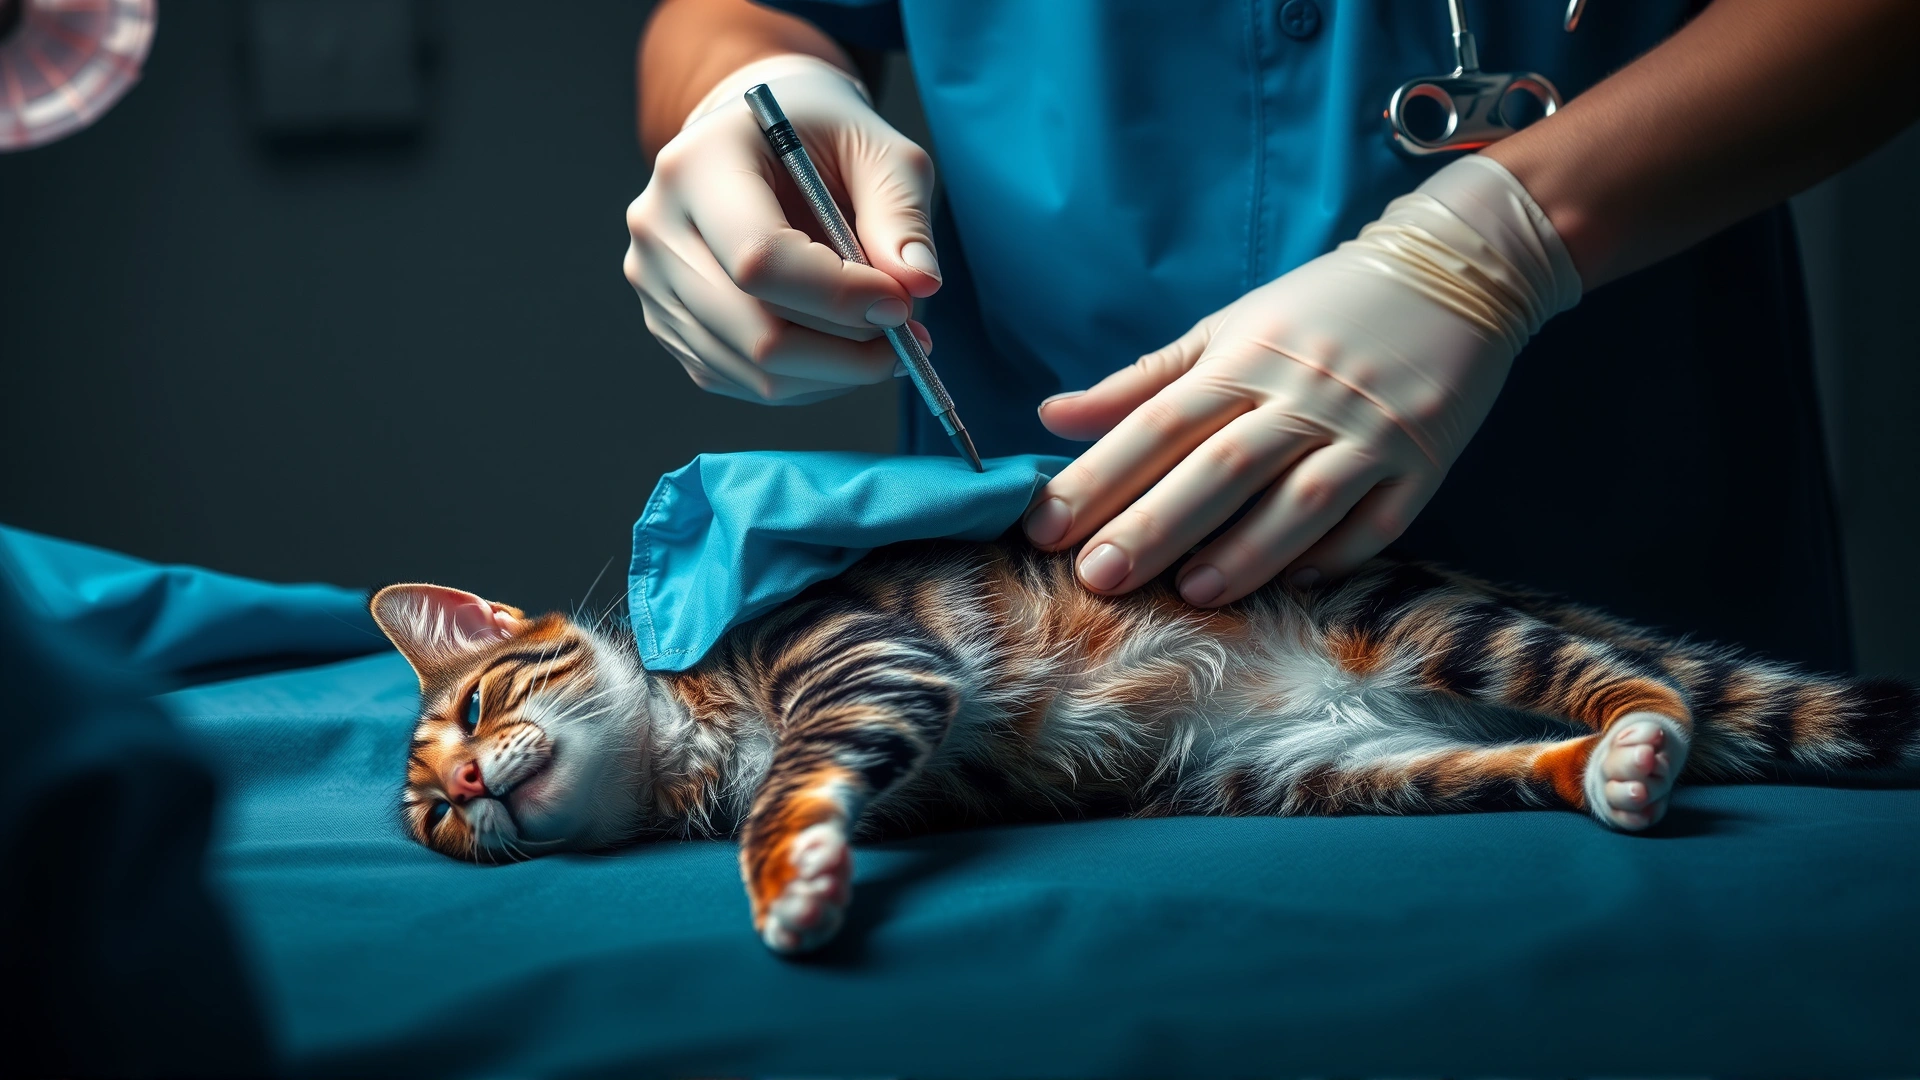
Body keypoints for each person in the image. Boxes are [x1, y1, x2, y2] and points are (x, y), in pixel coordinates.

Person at [623, 0, 1920, 672]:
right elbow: (739, 10)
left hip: (1613, 541)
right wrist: (745, 104)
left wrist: (1507, 241)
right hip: (1061, 601)